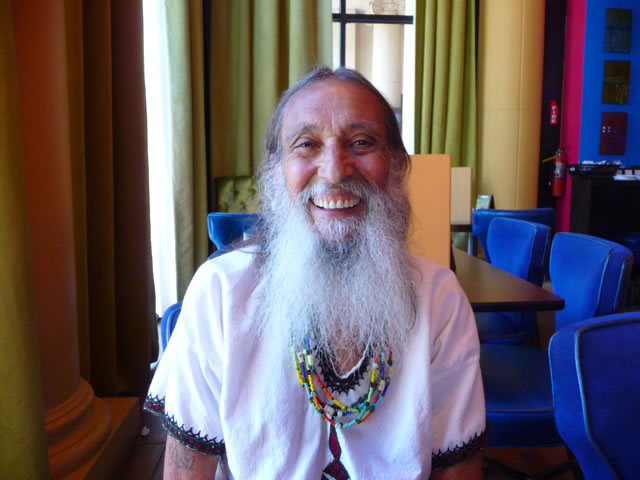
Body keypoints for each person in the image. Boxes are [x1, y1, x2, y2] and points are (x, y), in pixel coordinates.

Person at [145, 66, 487, 479]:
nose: (335, 170)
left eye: (361, 143)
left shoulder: (440, 297)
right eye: (307, 145)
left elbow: (458, 470)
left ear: (396, 167)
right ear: (276, 172)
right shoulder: (220, 292)